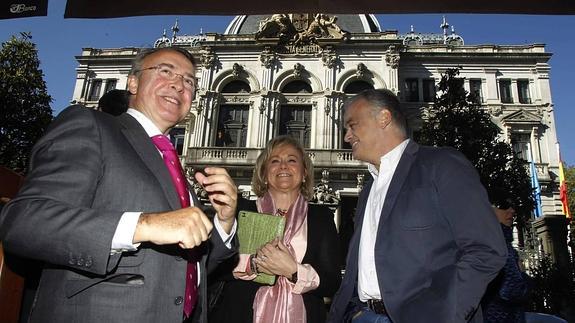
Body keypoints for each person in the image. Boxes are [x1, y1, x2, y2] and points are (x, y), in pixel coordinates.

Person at [0, 47, 238, 323]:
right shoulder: (91, 125)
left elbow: (182, 270)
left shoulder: (178, 171)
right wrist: (143, 225)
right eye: (165, 71)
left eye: (189, 81)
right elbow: (24, 221)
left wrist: (225, 221)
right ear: (133, 82)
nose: (178, 83)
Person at [328, 88, 508, 323]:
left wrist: (444, 316)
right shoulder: (368, 189)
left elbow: (486, 250)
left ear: (383, 118)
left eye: (352, 125)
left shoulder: (441, 165)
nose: (346, 137)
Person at [209, 135, 341, 323]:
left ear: (304, 173)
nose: (283, 166)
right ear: (264, 173)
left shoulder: (321, 217)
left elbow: (332, 282)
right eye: (275, 161)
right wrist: (252, 264)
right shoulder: (239, 210)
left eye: (292, 160)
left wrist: (294, 271)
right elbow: (213, 265)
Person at [482, 202, 530, 323]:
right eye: (504, 206)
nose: (511, 211)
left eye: (513, 207)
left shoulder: (489, 240)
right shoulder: (498, 245)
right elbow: (513, 290)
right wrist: (525, 277)